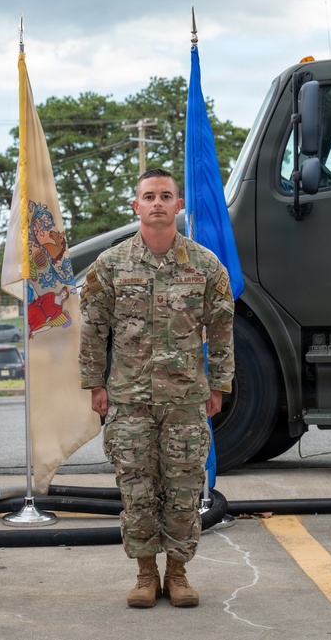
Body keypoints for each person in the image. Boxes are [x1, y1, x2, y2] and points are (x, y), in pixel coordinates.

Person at [78, 168, 234, 608]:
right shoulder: (110, 265)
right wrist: (94, 383)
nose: (158, 203)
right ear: (136, 206)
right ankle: (146, 574)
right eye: (149, 196)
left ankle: (178, 574)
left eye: (166, 195)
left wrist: (219, 384)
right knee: (137, 489)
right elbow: (93, 329)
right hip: (129, 399)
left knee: (184, 488)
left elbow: (222, 329)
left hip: (186, 399)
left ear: (179, 205)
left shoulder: (204, 265)